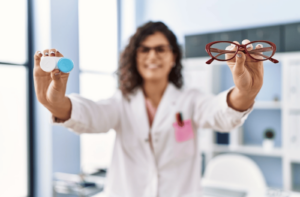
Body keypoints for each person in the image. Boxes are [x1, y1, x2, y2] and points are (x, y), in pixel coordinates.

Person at [33, 21, 263, 197]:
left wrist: (245, 93)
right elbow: (92, 115)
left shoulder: (190, 100)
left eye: (161, 49)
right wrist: (56, 103)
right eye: (144, 49)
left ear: (173, 56)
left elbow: (219, 112)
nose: (152, 55)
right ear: (135, 57)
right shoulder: (121, 102)